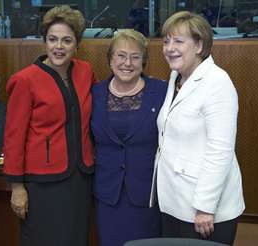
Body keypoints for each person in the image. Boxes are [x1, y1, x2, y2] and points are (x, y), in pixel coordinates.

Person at [150, 11, 245, 245]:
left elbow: (220, 151)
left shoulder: (218, 83)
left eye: (178, 41)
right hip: (174, 201)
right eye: (166, 41)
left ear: (199, 45)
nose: (169, 48)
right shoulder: (176, 77)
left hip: (204, 209)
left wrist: (205, 207)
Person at [3, 5, 95, 246]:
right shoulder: (25, 80)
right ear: (44, 41)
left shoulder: (85, 72)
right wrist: (17, 187)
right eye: (53, 39)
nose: (59, 46)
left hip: (80, 178)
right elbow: (13, 137)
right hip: (42, 183)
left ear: (77, 44)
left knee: (76, 239)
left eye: (67, 40)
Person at [91, 29, 167, 246]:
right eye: (121, 55)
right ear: (110, 59)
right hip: (108, 195)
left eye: (135, 57)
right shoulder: (94, 93)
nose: (128, 63)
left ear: (144, 62)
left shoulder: (161, 91)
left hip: (146, 195)